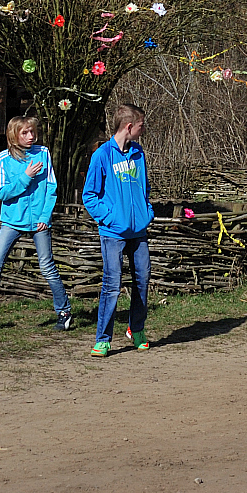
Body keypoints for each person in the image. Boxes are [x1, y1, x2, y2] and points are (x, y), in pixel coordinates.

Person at [0, 116, 72, 335]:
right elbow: (2, 192)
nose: (30, 137)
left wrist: (45, 217)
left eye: (32, 132)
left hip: (39, 223)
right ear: (13, 134)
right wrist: (25, 177)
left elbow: (51, 188)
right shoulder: (3, 159)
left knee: (47, 267)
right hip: (12, 221)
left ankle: (64, 312)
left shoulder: (43, 153)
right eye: (25, 133)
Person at [82, 103, 155, 357]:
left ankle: (137, 329)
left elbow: (144, 188)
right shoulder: (101, 155)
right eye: (141, 125)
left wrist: (146, 212)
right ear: (129, 126)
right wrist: (110, 217)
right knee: (112, 284)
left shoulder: (138, 153)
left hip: (138, 232)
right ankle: (103, 338)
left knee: (143, 280)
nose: (143, 129)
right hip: (113, 233)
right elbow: (89, 196)